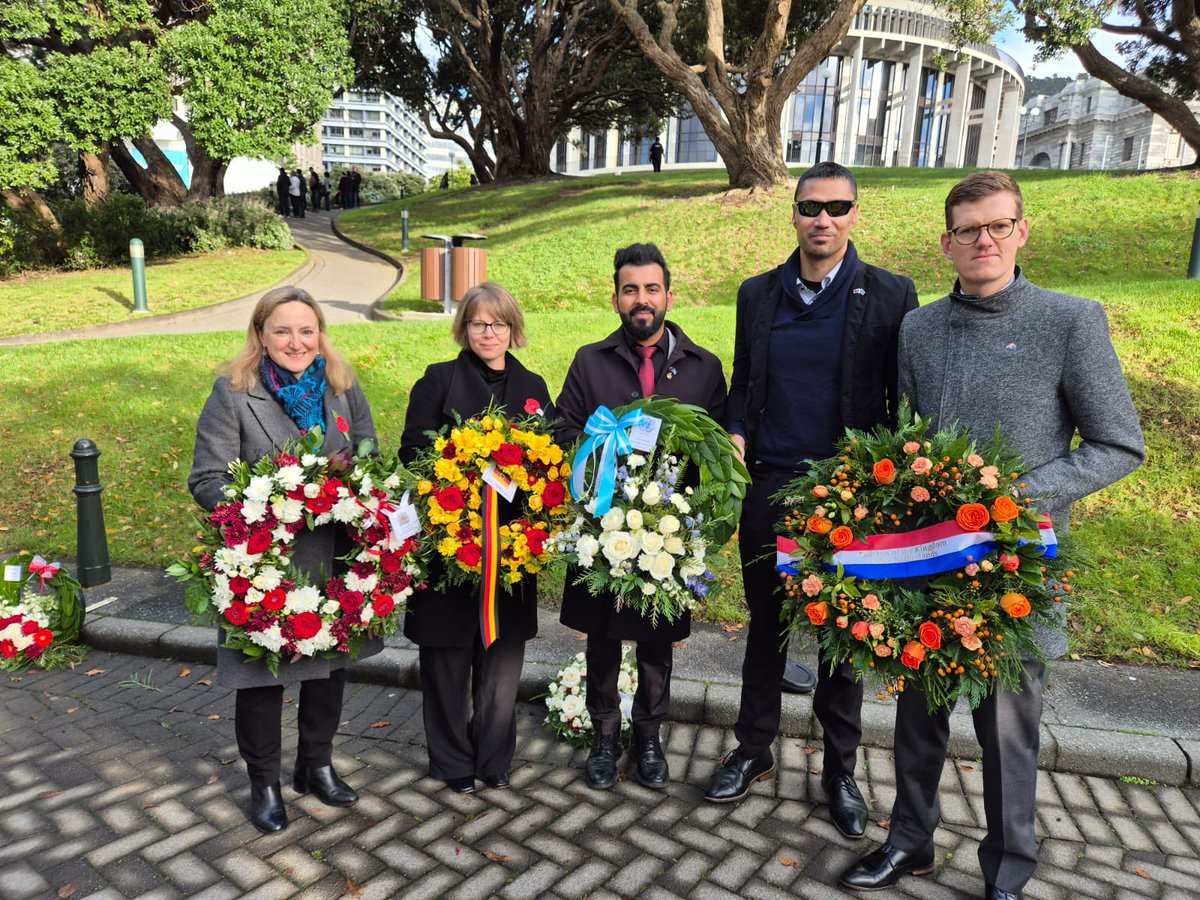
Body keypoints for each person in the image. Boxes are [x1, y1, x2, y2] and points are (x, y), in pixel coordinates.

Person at [839, 171, 1144, 898]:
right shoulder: (919, 327)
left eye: (998, 225)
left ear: (1021, 232)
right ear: (947, 243)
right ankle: (909, 842)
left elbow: (1118, 445)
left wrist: (1009, 498)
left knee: (1008, 734)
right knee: (916, 721)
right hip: (928, 568)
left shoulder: (1070, 321)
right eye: (969, 229)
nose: (984, 240)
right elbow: (909, 441)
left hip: (1017, 576)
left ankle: (1008, 868)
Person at [706, 162, 918, 835]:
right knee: (766, 628)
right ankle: (752, 749)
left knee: (843, 636)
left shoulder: (890, 294)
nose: (821, 219)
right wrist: (736, 430)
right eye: (809, 207)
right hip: (770, 482)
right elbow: (743, 382)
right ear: (793, 213)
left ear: (856, 214)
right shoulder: (757, 293)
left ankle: (839, 770)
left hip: (848, 493)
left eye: (836, 207)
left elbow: (900, 399)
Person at [188, 286, 380, 834]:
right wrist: (269, 502)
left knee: (328, 673)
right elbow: (206, 479)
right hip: (262, 565)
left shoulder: (343, 388)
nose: (296, 342)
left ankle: (315, 765)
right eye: (282, 330)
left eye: (306, 330)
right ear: (260, 334)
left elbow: (369, 454)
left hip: (333, 558)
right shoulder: (233, 394)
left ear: (320, 333)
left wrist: (356, 489)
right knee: (260, 678)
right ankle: (265, 782)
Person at [556, 243, 727, 791]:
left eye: (651, 288)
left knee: (657, 640)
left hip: (667, 530)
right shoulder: (590, 361)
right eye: (630, 289)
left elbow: (716, 453)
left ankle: (648, 738)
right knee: (603, 637)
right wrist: (600, 440)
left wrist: (687, 514)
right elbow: (562, 429)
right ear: (616, 299)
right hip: (602, 525)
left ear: (668, 296)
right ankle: (606, 736)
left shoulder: (703, 369)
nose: (641, 299)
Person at [399, 283, 553, 795]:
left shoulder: (533, 387)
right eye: (479, 323)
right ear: (464, 328)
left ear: (514, 329)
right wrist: (464, 473)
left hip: (511, 549)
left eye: (499, 323)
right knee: (446, 660)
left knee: (502, 663)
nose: (489, 333)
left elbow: (549, 467)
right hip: (452, 545)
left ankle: (493, 757)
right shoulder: (437, 381)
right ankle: (450, 761)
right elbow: (412, 453)